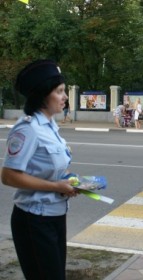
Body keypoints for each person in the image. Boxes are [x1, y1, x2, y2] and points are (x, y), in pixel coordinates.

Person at [1, 59, 79, 280]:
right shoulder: (28, 129)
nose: (65, 97)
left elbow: (47, 170)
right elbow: (8, 176)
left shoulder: (51, 127)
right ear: (44, 94)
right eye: (60, 91)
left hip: (55, 214)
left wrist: (68, 182)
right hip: (33, 219)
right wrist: (55, 186)